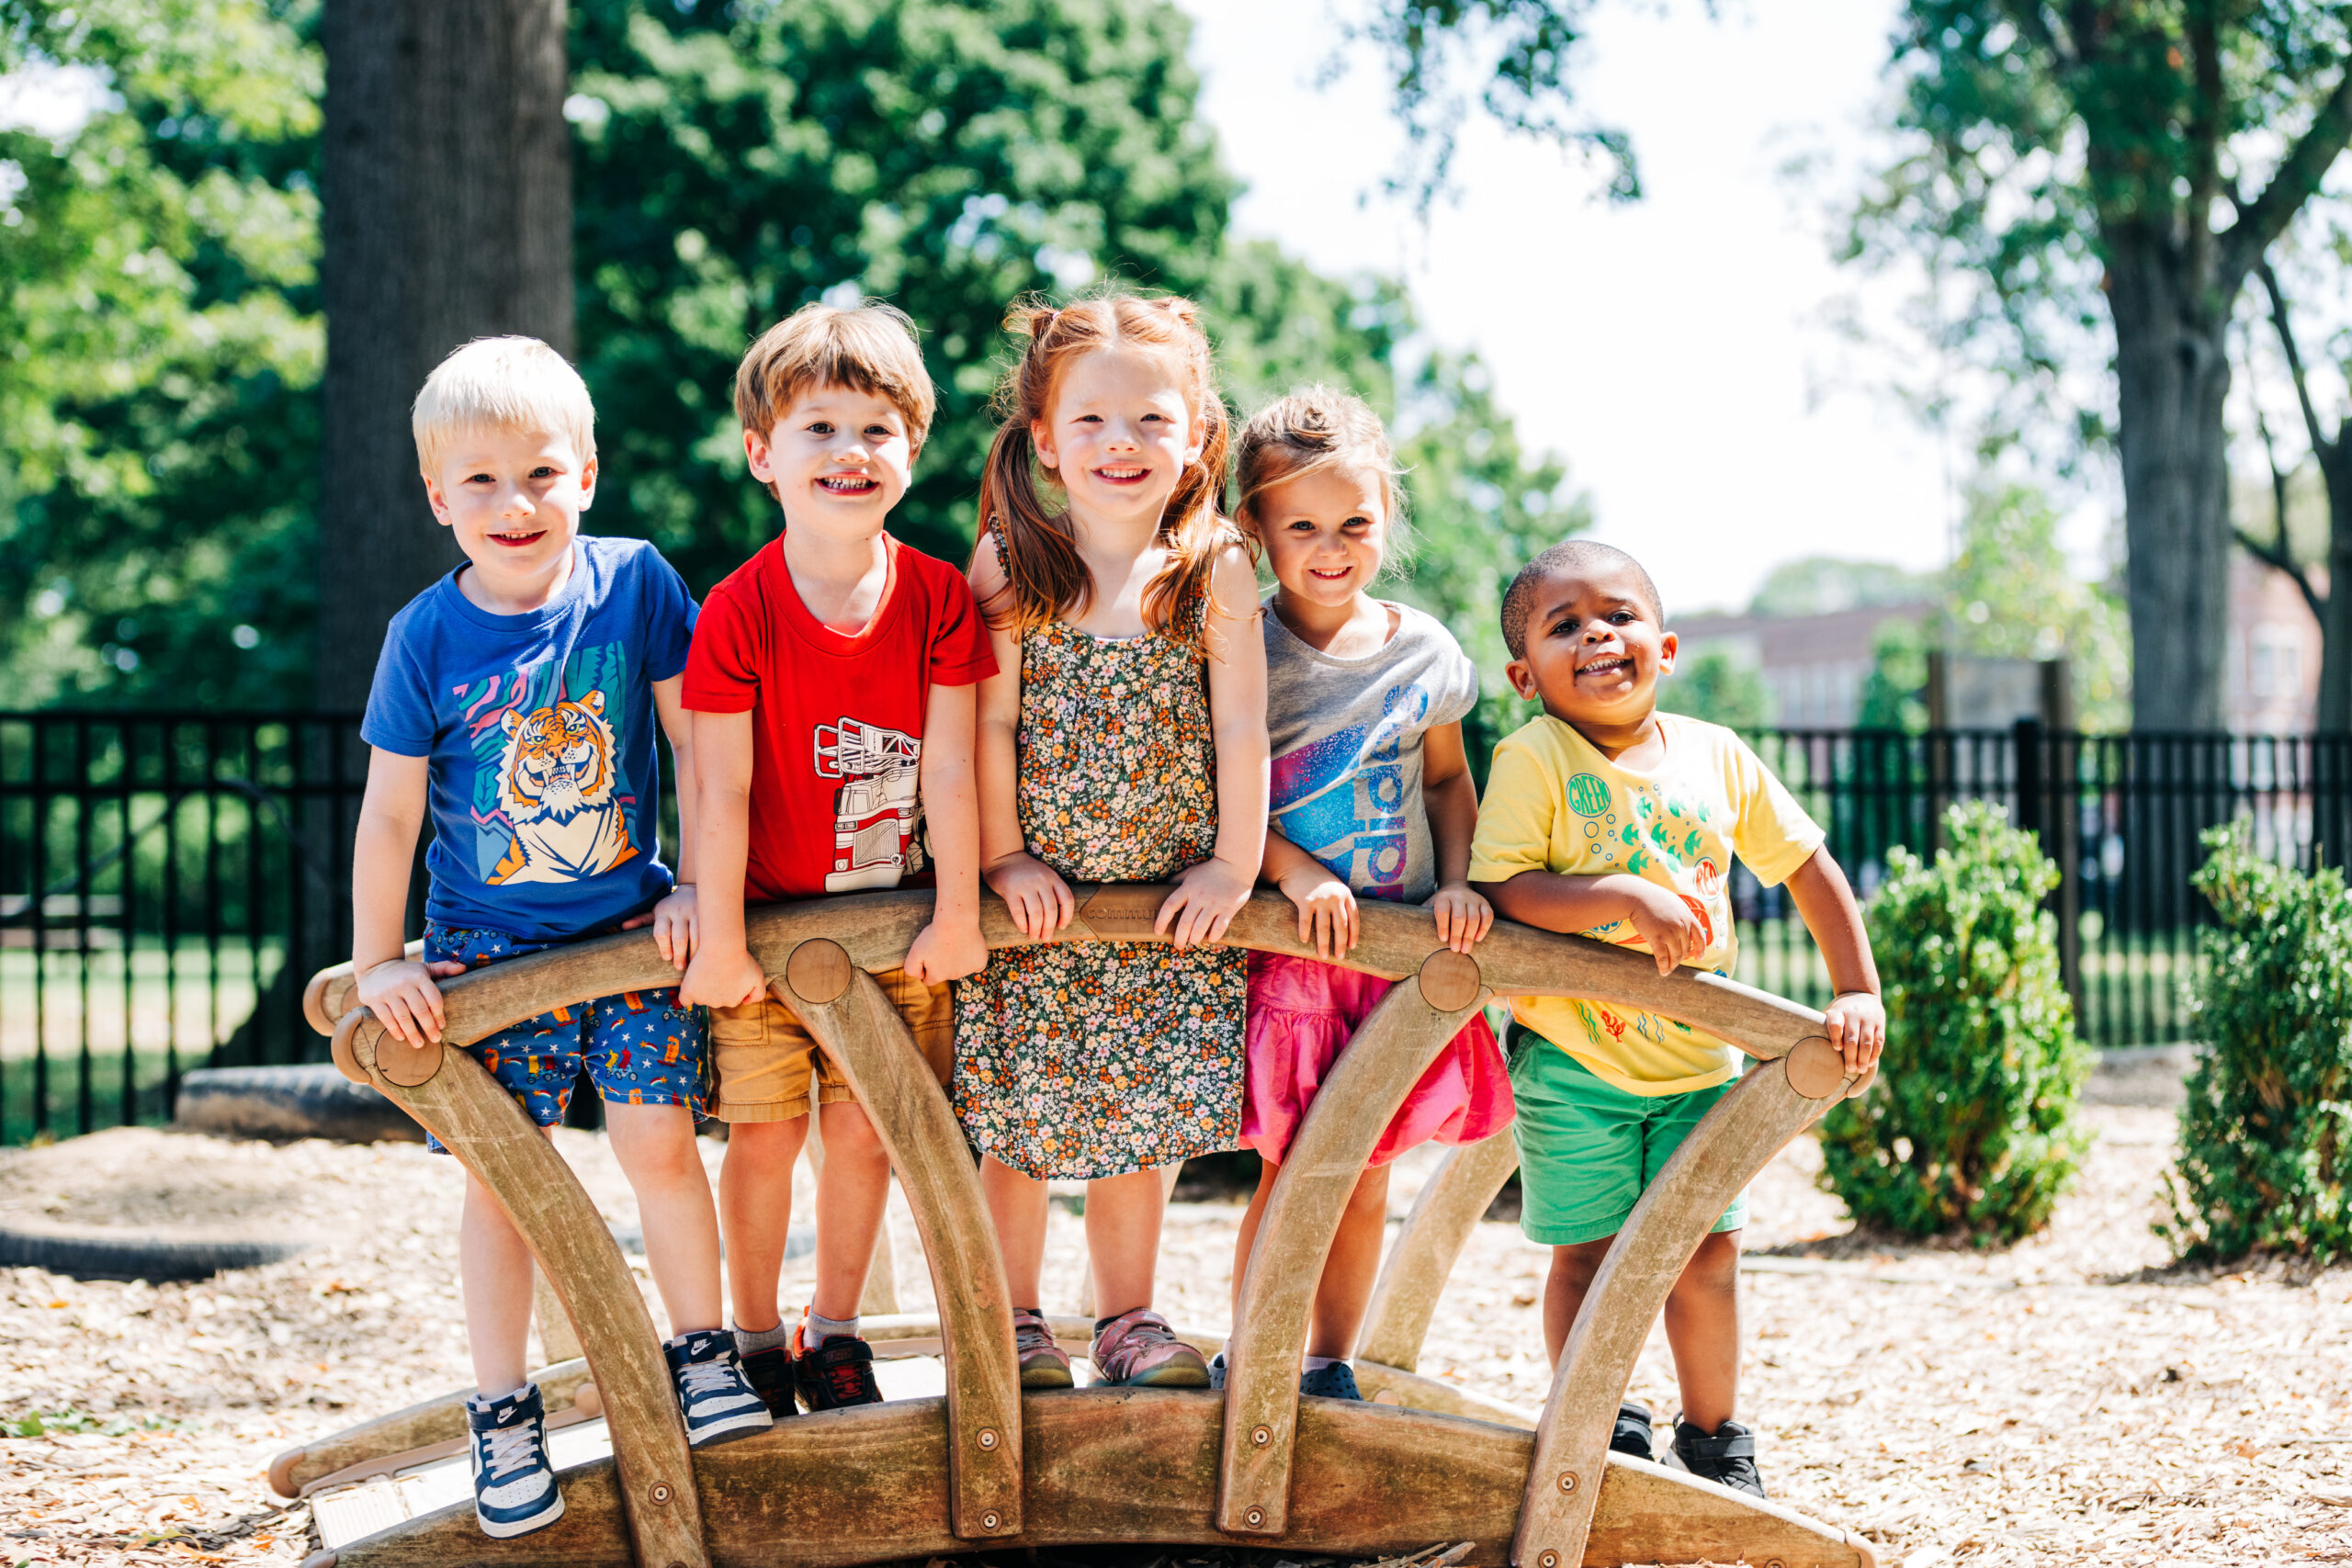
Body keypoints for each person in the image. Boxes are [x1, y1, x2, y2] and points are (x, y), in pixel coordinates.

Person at [351, 337, 766, 1540]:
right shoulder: (425, 635)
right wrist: (381, 958)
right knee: (506, 1185)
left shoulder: (635, 585)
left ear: (587, 471)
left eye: (539, 471)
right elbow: (389, 809)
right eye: (478, 481)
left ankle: (700, 1355)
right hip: (485, 956)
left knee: (661, 1146)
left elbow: (697, 746)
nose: (513, 503)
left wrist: (700, 884)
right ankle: (504, 1405)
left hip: (635, 931)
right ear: (438, 498)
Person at [1467, 539, 1886, 1497]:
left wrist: (1855, 986)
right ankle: (1601, 1415)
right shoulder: (1533, 755)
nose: (1596, 635)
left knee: (1707, 1255)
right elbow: (1503, 887)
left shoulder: (1717, 756)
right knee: (1590, 1251)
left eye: (1617, 615)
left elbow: (1808, 867)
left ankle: (1713, 1439)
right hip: (1574, 1061)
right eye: (1563, 624)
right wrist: (1619, 894)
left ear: (1664, 647)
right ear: (1523, 674)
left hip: (1701, 1063)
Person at [677, 302, 994, 1417]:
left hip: (899, 928)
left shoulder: (940, 599)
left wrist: (958, 910)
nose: (849, 454)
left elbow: (954, 773)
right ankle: (757, 1337)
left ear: (913, 449)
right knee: (762, 1139)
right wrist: (717, 939)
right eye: (818, 429)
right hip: (764, 930)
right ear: (763, 452)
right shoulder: (736, 610)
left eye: (876, 429)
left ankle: (838, 1329)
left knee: (869, 1133)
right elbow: (717, 786)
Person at [954, 294, 1267, 1389]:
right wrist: (1002, 858)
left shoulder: (1211, 560)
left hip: (1170, 901)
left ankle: (1127, 1319)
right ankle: (1015, 1318)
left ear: (1196, 440)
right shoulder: (1012, 563)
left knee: (1142, 1119)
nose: (1119, 443)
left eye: (1149, 419)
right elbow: (988, 724)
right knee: (1021, 1118)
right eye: (1088, 420)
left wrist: (1233, 861)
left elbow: (1239, 722)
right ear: (1043, 436)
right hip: (1037, 904)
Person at [1216, 387, 1513, 1400]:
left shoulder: (1423, 650)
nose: (1330, 547)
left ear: (1385, 516)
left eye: (1354, 523)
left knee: (1368, 1169)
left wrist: (1461, 882)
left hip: (1390, 959)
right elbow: (1218, 799)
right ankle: (1255, 1348)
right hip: (1295, 962)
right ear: (1255, 528)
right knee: (1295, 1169)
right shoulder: (1241, 647)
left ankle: (1326, 1363)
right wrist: (1292, 871)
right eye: (1301, 525)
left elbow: (1444, 779)